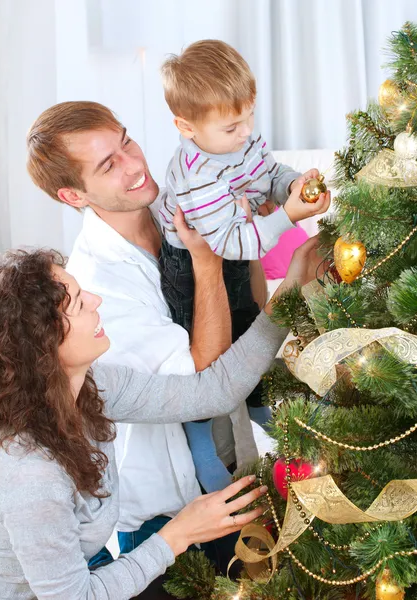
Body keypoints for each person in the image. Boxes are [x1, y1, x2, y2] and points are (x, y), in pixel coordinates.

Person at [0, 237, 320, 599]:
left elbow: (213, 391)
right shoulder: (29, 472)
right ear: (42, 345)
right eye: (78, 304)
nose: (96, 301)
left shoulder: (92, 386)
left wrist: (288, 292)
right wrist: (178, 534)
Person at [26, 100, 269, 563]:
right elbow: (201, 378)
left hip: (237, 456)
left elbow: (247, 309)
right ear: (73, 195)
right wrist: (208, 261)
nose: (135, 164)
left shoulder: (176, 202)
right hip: (172, 514)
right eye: (109, 164)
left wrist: (244, 239)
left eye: (126, 142)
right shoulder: (96, 284)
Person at [158, 39, 331, 492]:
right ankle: (210, 468)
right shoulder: (197, 173)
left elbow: (267, 175)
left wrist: (295, 184)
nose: (246, 131)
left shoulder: (242, 137)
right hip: (189, 270)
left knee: (248, 336)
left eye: (250, 117)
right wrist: (288, 216)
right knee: (208, 370)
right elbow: (234, 241)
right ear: (185, 126)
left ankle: (274, 421)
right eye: (233, 126)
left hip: (233, 252)